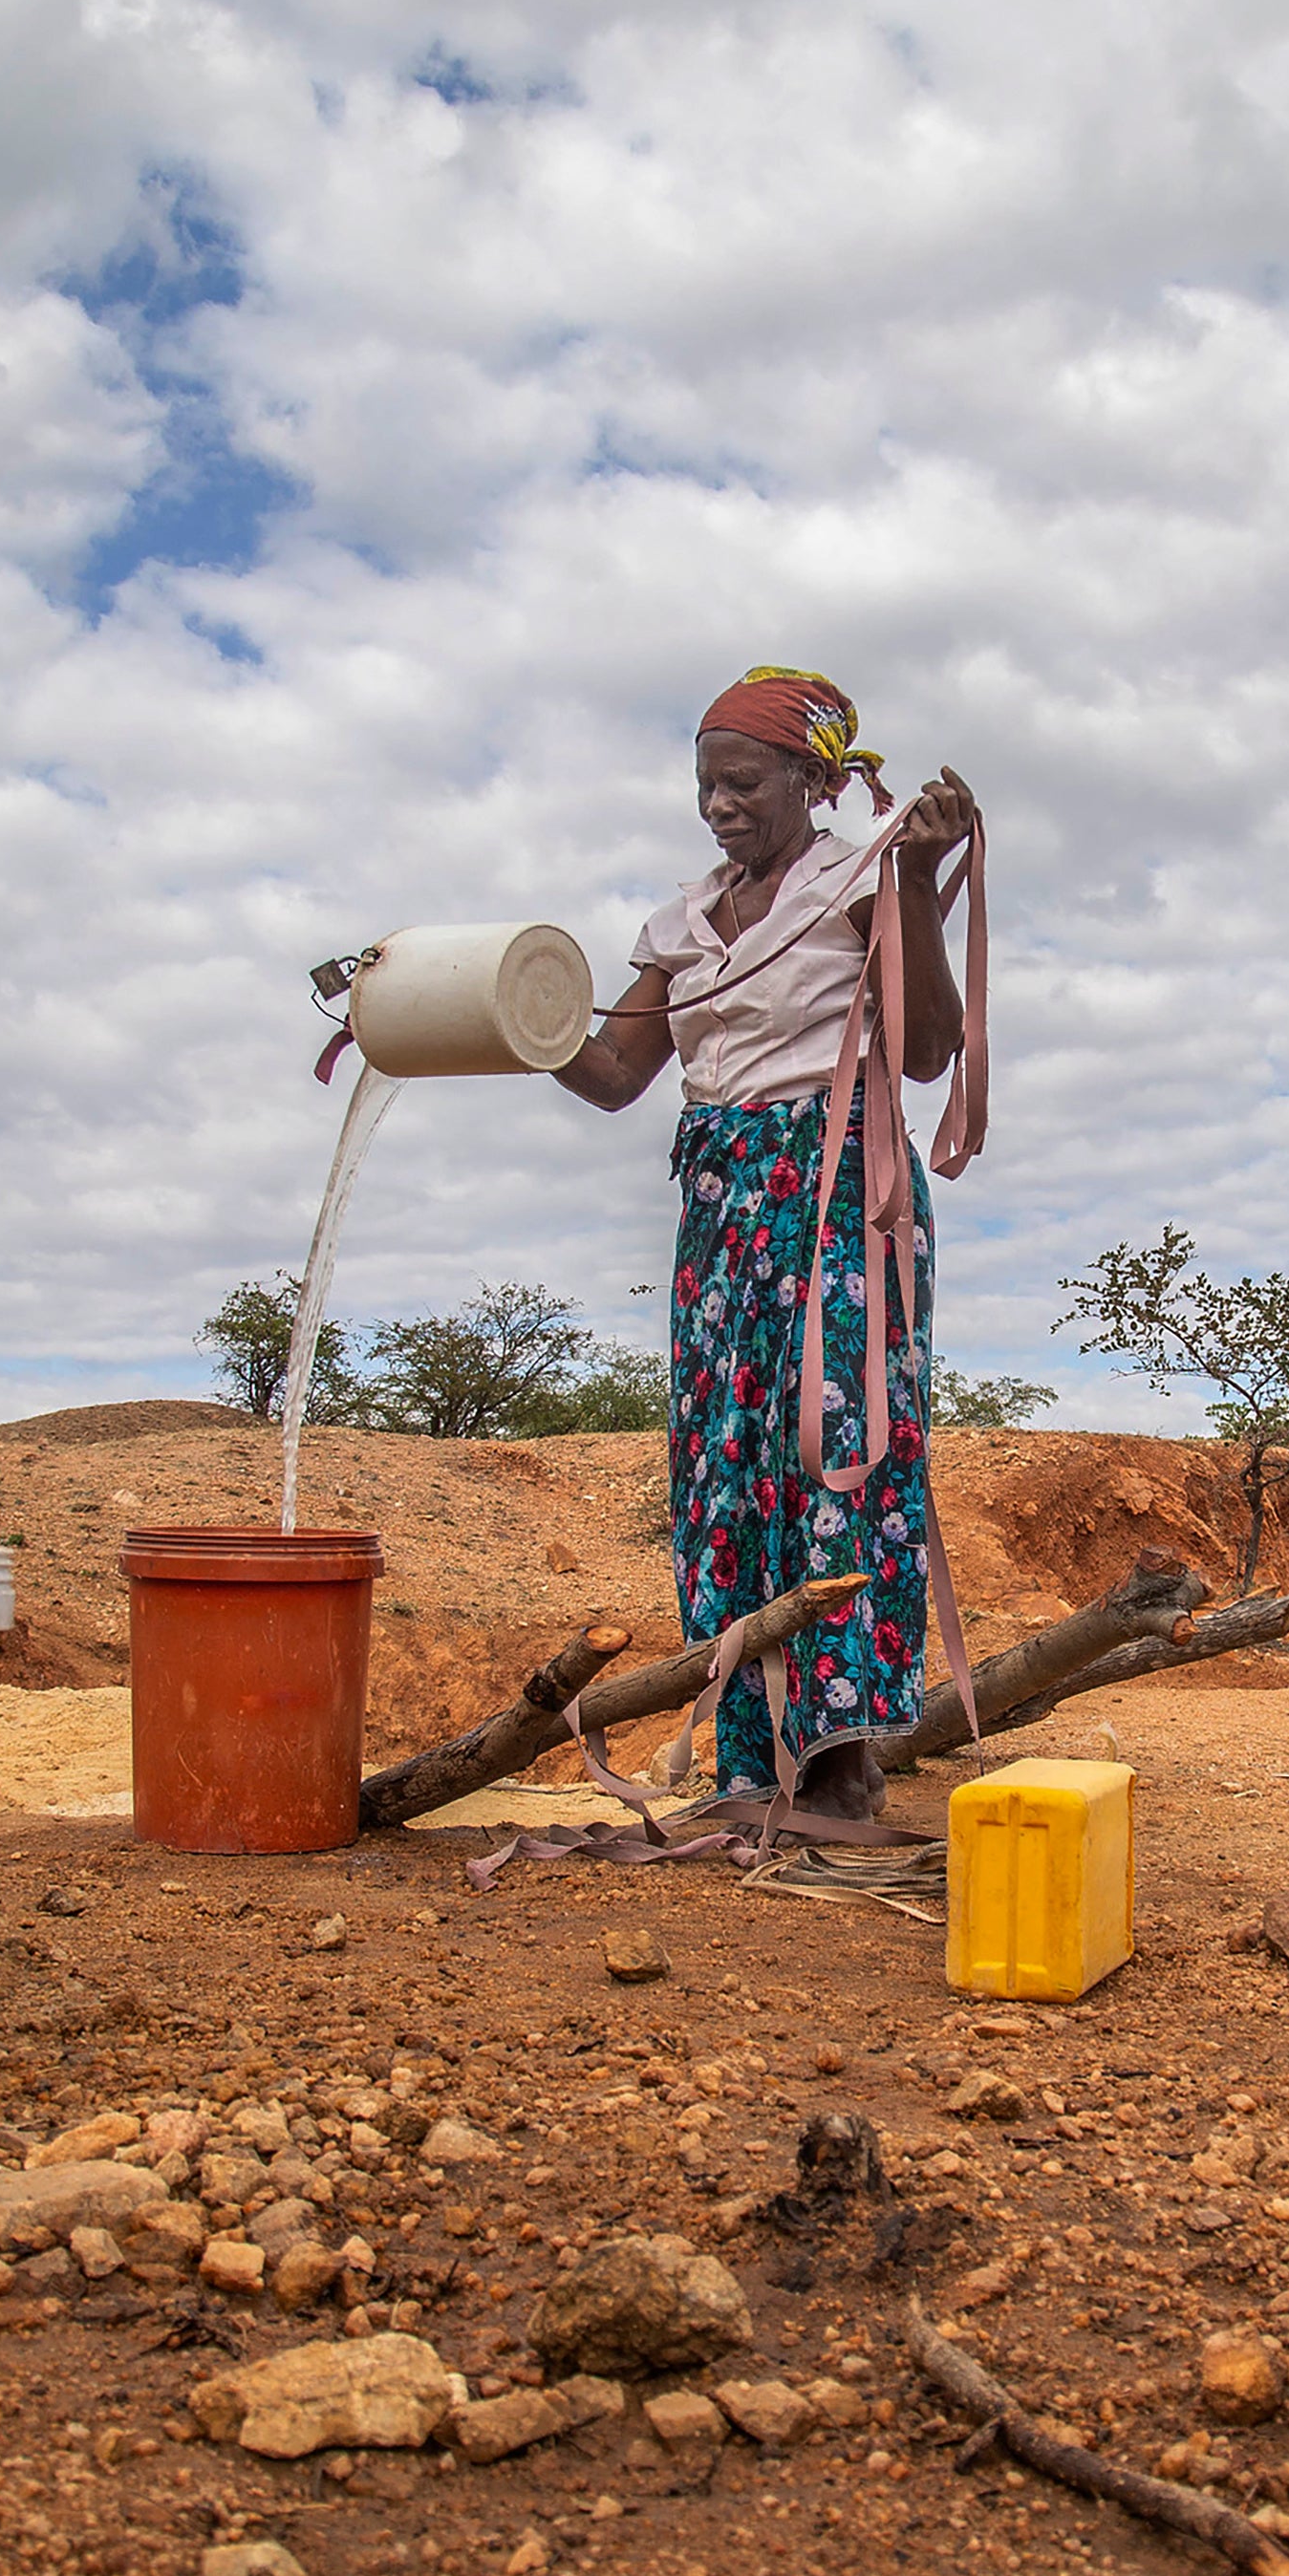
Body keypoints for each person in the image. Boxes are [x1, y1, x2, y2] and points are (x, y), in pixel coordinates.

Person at [552, 667, 983, 1808]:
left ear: (812, 778)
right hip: (721, 1201)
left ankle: (842, 1772)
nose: (720, 805)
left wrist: (921, 886)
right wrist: (512, 1007)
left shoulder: (859, 883)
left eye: (743, 781)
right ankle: (749, 1762)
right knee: (726, 1466)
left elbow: (930, 1048)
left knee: (835, 1449)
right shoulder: (681, 924)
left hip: (837, 1184)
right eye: (706, 785)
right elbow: (608, 1076)